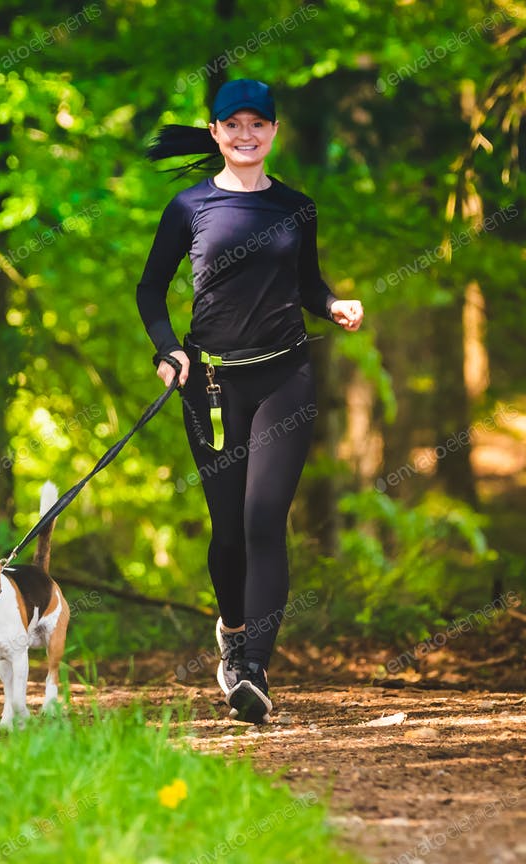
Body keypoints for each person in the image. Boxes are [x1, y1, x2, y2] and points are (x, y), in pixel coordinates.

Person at [135, 78, 363, 723]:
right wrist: (166, 349)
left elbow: (308, 282)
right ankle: (233, 631)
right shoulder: (188, 207)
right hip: (210, 385)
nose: (245, 134)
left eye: (256, 124)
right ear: (214, 132)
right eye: (232, 124)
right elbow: (151, 289)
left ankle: (253, 669)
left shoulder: (298, 207)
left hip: (285, 376)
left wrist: (332, 303)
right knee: (229, 530)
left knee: (265, 519)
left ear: (273, 132)